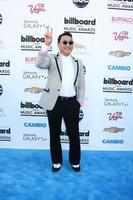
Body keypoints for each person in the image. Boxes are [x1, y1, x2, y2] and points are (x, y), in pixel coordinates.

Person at [35, 26, 85, 172]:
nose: (68, 45)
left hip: (72, 103)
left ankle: (75, 161)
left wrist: (79, 101)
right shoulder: (51, 58)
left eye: (70, 42)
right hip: (54, 102)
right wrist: (46, 45)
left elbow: (81, 82)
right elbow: (39, 63)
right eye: (65, 42)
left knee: (74, 134)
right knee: (54, 133)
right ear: (58, 45)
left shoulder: (78, 62)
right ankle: (56, 161)